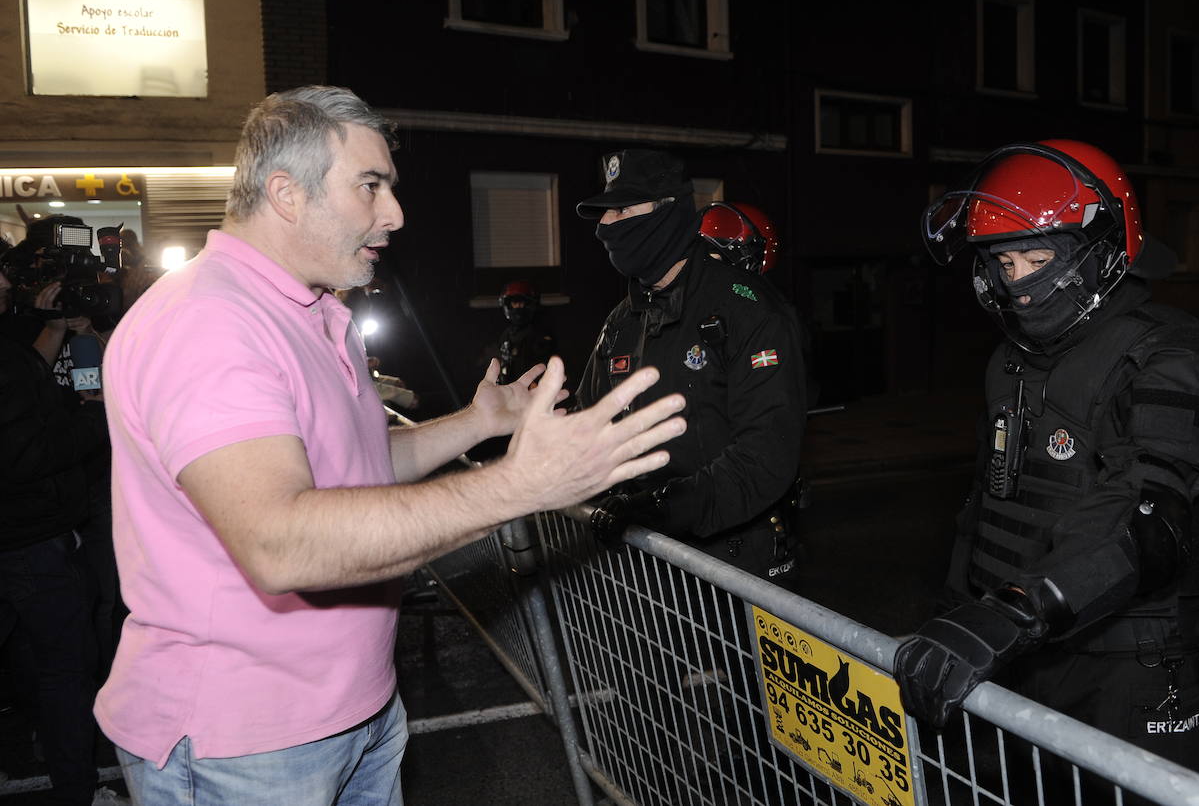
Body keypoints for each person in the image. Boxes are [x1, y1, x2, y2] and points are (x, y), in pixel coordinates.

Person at [94, 86, 685, 806]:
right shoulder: (209, 324)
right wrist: (522, 485)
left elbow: (362, 468)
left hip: (354, 715)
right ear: (285, 193)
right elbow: (282, 543)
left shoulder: (314, 310)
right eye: (369, 187)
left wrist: (477, 422)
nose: (395, 214)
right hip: (244, 747)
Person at [894, 140, 1199, 794]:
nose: (1017, 282)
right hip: (1021, 652)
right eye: (1004, 260)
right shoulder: (1010, 360)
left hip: (1127, 665)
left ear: (1106, 252)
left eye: (1038, 258)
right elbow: (991, 503)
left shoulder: (1177, 358)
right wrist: (961, 611)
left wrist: (1015, 612)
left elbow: (1149, 523)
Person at [575, 149, 807, 582]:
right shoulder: (622, 322)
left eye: (622, 209)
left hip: (737, 567)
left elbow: (765, 458)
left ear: (667, 213)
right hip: (647, 568)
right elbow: (587, 422)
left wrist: (664, 505)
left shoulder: (747, 312)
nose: (604, 227)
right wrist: (525, 425)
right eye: (604, 213)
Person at [0, 244, 111, 806]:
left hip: (33, 531)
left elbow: (24, 378)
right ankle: (77, 791)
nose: (4, 282)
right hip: (30, 535)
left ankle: (46, 739)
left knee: (33, 654)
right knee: (67, 665)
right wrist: (102, 417)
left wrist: (59, 329)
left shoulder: (18, 344)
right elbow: (27, 449)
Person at [493, 280, 556, 386]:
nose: (517, 307)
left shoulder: (539, 335)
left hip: (530, 392)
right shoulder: (507, 334)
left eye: (521, 303)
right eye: (514, 303)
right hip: (509, 389)